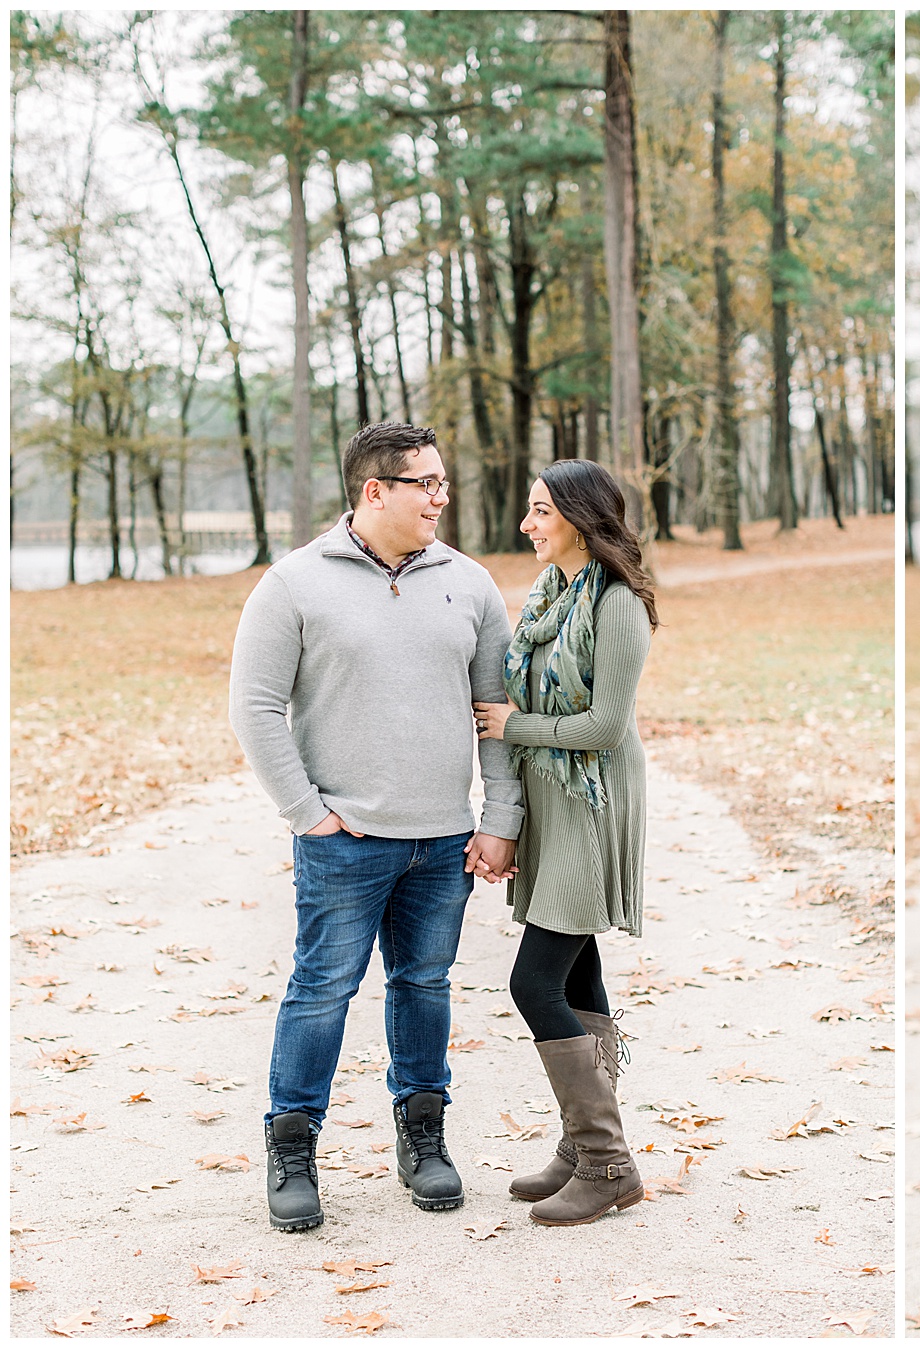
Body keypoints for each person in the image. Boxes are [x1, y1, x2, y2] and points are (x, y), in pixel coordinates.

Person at [228, 422, 522, 1233]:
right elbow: (253, 706)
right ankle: (292, 1147)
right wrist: (308, 815)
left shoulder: (472, 583)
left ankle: (423, 1140)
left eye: (442, 482)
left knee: (423, 987)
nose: (441, 495)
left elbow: (495, 714)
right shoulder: (292, 584)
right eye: (424, 482)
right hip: (344, 840)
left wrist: (499, 817)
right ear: (374, 491)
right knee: (321, 991)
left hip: (442, 843)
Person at [471, 460, 656, 1227]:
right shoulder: (552, 598)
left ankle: (608, 1160)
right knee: (579, 979)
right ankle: (586, 1151)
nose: (527, 524)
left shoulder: (617, 606)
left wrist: (515, 727)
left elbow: (605, 729)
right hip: (553, 799)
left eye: (541, 511)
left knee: (535, 983)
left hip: (592, 801)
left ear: (580, 517)